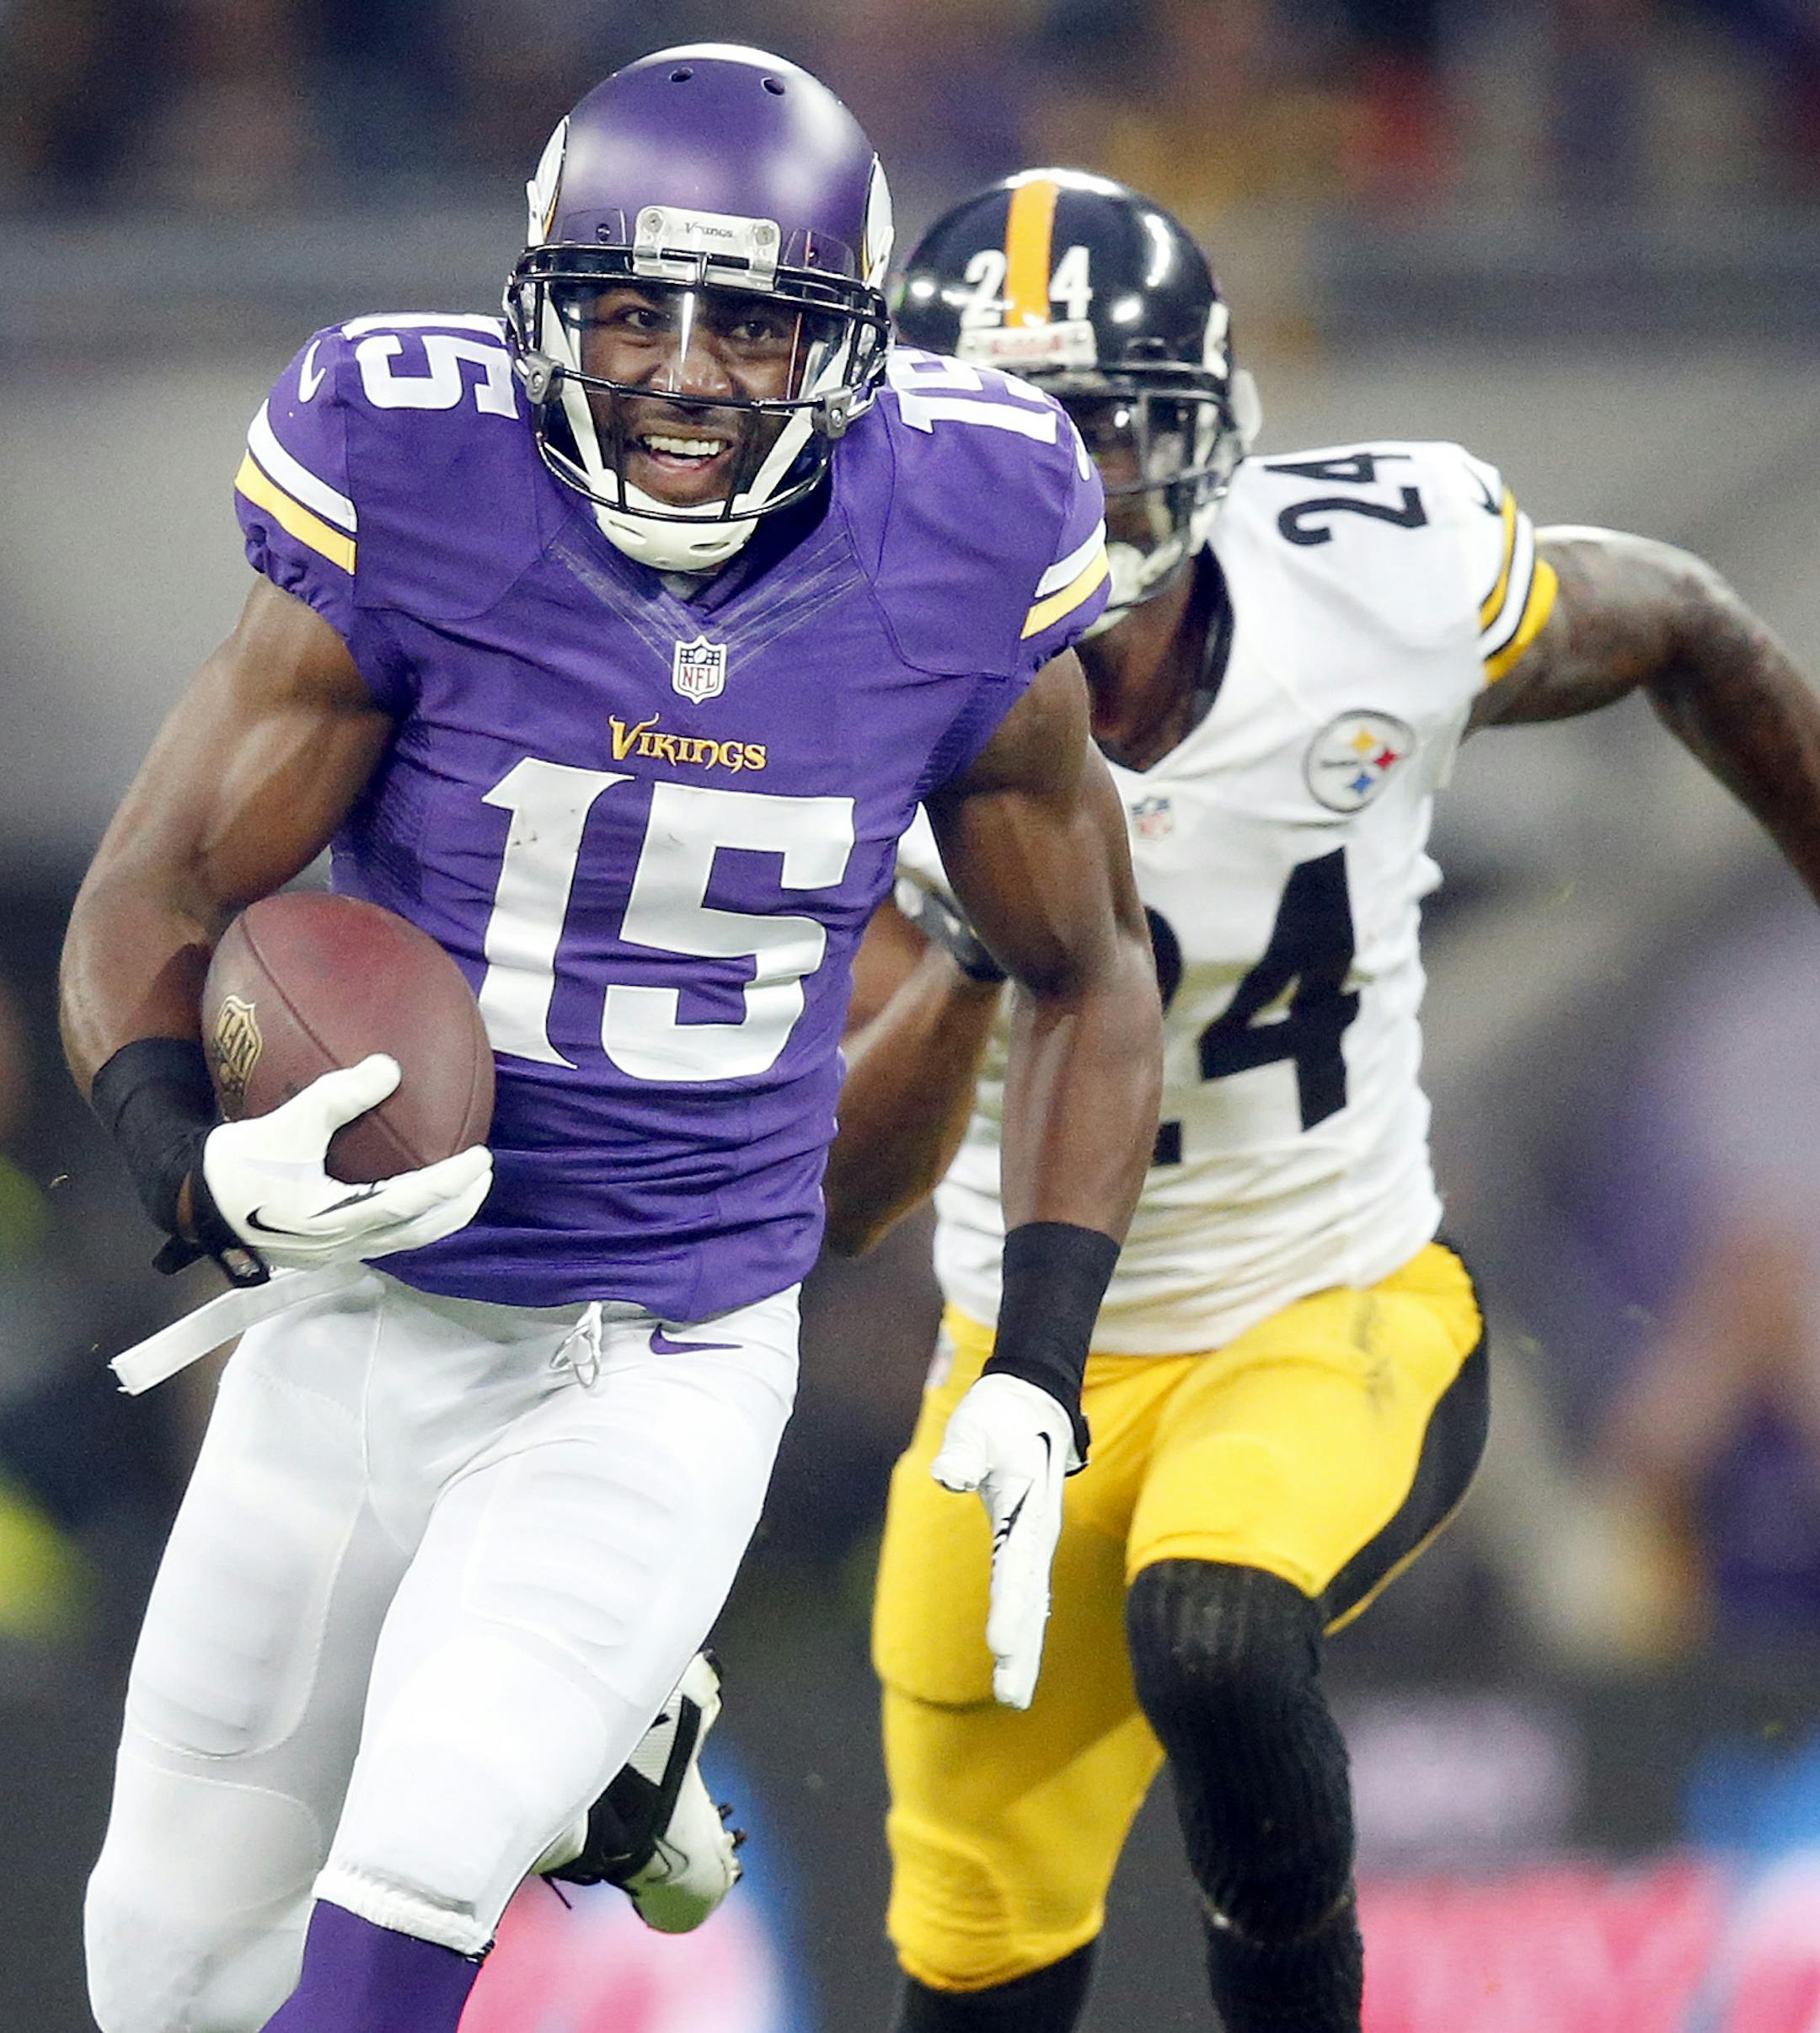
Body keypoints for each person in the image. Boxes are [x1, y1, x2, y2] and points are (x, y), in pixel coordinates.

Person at [59, 61, 1163, 2033]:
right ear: (539, 306)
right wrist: (185, 1158)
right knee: (165, 1970)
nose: (677, 371)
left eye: (750, 320)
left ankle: (578, 1728)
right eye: (629, 308)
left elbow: (1085, 963)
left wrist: (1040, 1370)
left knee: (407, 1885)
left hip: (648, 1363)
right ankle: (619, 1745)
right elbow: (146, 889)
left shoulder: (968, 533)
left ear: (851, 347)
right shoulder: (415, 477)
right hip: (354, 1320)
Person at [832, 167, 1820, 2033]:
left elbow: (1686, 620)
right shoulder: (843, 701)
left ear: (1203, 433)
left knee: (1216, 1623)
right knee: (971, 1966)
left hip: (1329, 1308)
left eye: (1102, 431)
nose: (1057, 487)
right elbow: (831, 1197)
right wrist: (966, 957)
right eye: (1006, 439)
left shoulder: (1373, 579)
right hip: (1019, 1375)